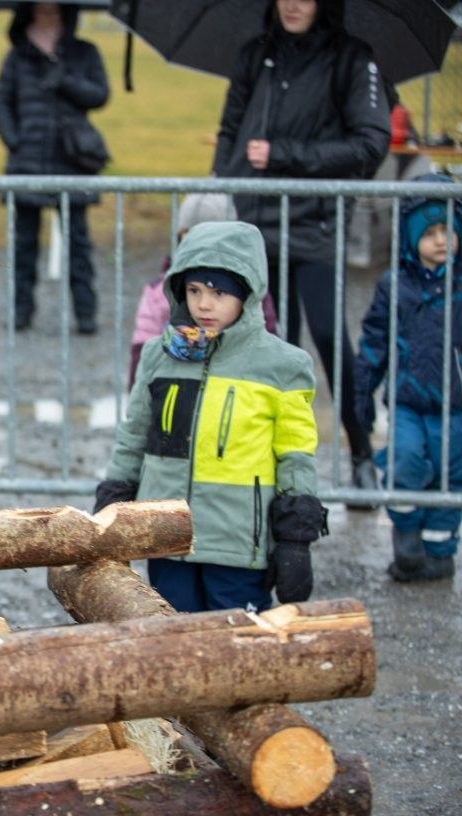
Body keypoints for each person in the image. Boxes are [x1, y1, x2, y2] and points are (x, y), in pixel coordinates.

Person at [96, 221, 326, 613]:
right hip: (166, 536)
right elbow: (134, 434)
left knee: (237, 640)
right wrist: (113, 498)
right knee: (170, 631)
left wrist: (295, 539)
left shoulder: (283, 366)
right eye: (194, 291)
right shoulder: (158, 357)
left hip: (237, 544)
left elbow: (295, 456)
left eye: (219, 293)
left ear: (247, 294)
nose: (204, 304)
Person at [213, 0, 390, 495]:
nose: (293, 3)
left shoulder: (352, 58)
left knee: (329, 336)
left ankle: (361, 450)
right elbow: (230, 131)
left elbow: (370, 145)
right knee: (267, 339)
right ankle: (270, 461)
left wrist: (284, 155)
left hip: (317, 225)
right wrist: (223, 185)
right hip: (255, 224)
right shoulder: (255, 54)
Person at [354, 174, 461, 583]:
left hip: (456, 407)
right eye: (430, 233)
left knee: (451, 478)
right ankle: (407, 536)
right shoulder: (394, 285)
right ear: (412, 237)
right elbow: (375, 341)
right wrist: (362, 393)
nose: (440, 240)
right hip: (408, 404)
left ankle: (440, 550)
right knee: (405, 462)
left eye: (448, 231)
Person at [0, 2, 109, 334]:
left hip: (72, 161)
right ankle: (21, 311)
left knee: (78, 244)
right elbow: (1, 102)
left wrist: (66, 81)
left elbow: (100, 94)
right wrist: (14, 140)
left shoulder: (84, 52)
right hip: (26, 162)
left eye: (54, 10)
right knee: (24, 244)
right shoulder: (17, 57)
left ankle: (85, 314)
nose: (48, 16)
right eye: (41, 10)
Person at [129, 194, 279, 387]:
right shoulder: (158, 290)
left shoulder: (252, 292)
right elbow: (142, 347)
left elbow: (268, 342)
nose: (203, 304)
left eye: (219, 293)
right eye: (187, 237)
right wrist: (138, 390)